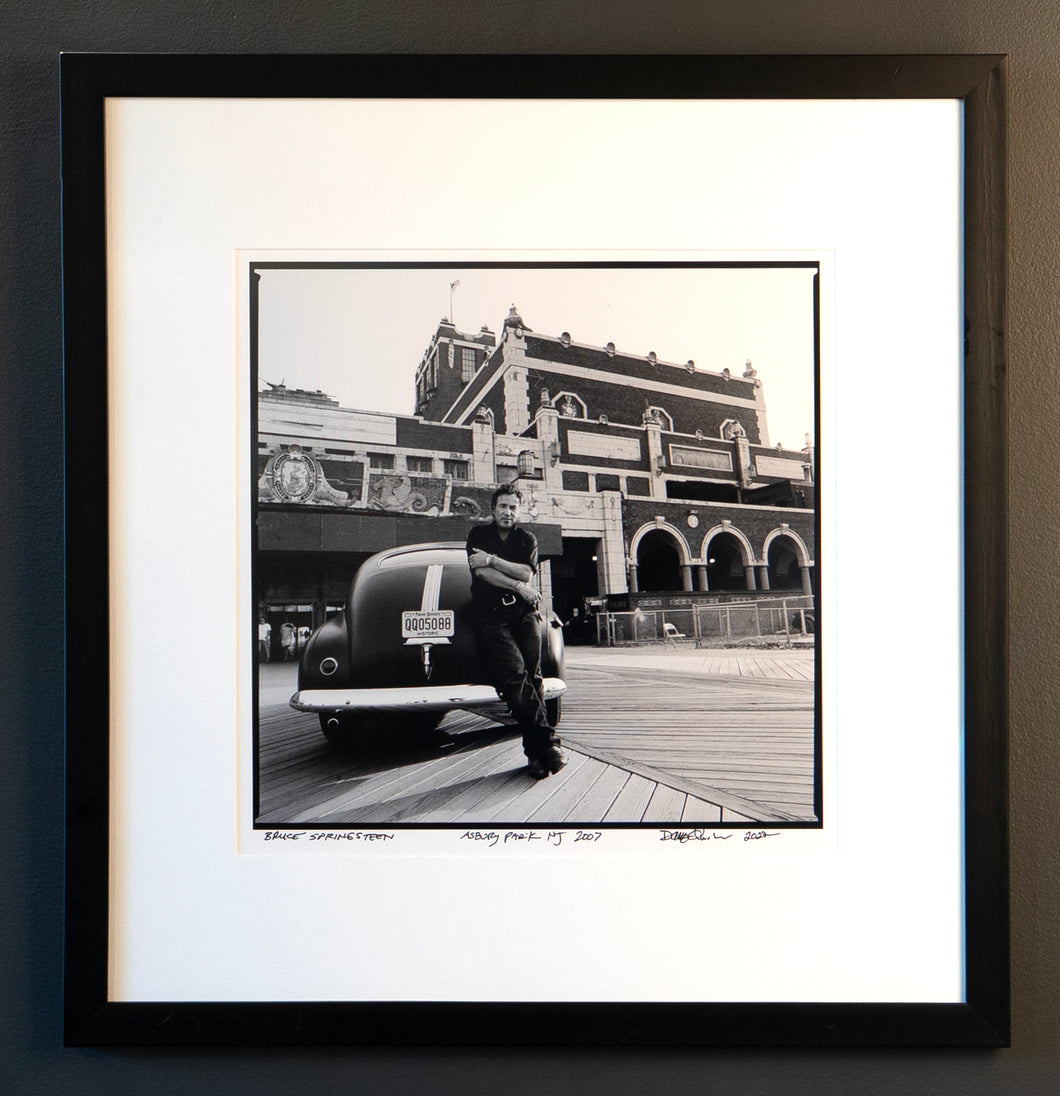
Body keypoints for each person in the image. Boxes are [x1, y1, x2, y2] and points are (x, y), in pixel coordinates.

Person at [466, 484, 565, 779]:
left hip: (524, 614)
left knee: (534, 679)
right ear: (493, 509)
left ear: (519, 511)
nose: (507, 512)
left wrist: (493, 560)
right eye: (502, 506)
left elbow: (526, 572)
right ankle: (548, 746)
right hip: (492, 616)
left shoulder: (527, 539)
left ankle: (535, 755)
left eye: (513, 507)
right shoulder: (478, 535)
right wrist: (519, 587)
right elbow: (480, 572)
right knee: (515, 675)